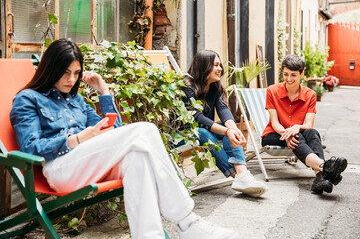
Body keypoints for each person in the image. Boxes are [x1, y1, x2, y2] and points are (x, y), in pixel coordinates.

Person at [10, 39, 238, 239]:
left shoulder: (75, 100)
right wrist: (78, 139)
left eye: (77, 73)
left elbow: (117, 130)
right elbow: (31, 149)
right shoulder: (28, 99)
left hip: (86, 164)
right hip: (59, 169)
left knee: (137, 157)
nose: (72, 79)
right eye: (65, 72)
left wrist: (104, 91)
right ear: (50, 69)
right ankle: (188, 222)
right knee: (145, 130)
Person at [181, 50, 268, 197]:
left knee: (228, 129)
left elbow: (223, 109)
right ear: (203, 66)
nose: (220, 68)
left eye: (219, 64)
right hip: (181, 133)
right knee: (205, 132)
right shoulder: (186, 87)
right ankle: (237, 177)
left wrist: (232, 129)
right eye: (216, 65)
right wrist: (227, 131)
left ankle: (242, 174)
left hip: (203, 128)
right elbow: (197, 118)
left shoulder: (215, 86)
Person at [261, 54, 347, 194]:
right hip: (273, 134)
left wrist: (296, 127)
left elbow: (308, 125)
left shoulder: (310, 95)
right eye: (285, 74)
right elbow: (275, 123)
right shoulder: (272, 91)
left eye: (293, 75)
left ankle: (320, 179)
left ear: (302, 74)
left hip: (298, 132)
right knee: (296, 137)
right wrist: (287, 133)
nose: (289, 79)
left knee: (312, 133)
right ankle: (326, 167)